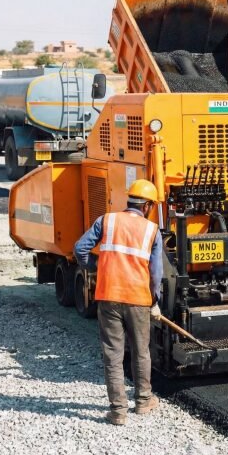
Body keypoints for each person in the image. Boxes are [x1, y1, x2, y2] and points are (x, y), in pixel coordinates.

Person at [74, 179, 164, 425]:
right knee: (141, 350)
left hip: (109, 296)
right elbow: (156, 274)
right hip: (138, 299)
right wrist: (155, 299)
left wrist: (96, 267)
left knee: (113, 354)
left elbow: (80, 248)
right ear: (147, 205)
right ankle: (144, 401)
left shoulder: (107, 221)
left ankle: (118, 412)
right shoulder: (152, 230)